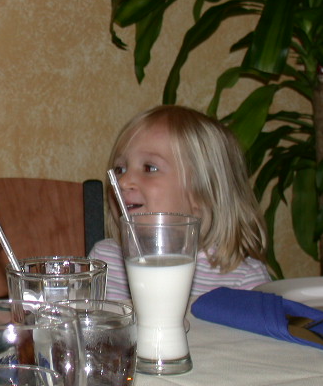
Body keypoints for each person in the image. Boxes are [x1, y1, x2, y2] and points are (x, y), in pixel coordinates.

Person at [89, 105, 271, 299]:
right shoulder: (103, 262)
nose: (123, 182)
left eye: (150, 168)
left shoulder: (243, 281)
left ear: (202, 194)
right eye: (119, 170)